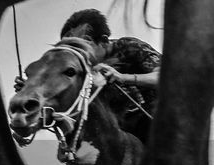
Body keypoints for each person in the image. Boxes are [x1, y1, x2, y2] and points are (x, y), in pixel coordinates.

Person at [58, 8, 160, 142]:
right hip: (120, 133)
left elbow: (163, 77)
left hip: (156, 121)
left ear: (104, 41)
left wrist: (123, 78)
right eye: (73, 47)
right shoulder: (81, 69)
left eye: (85, 43)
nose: (79, 52)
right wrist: (28, 90)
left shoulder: (129, 46)